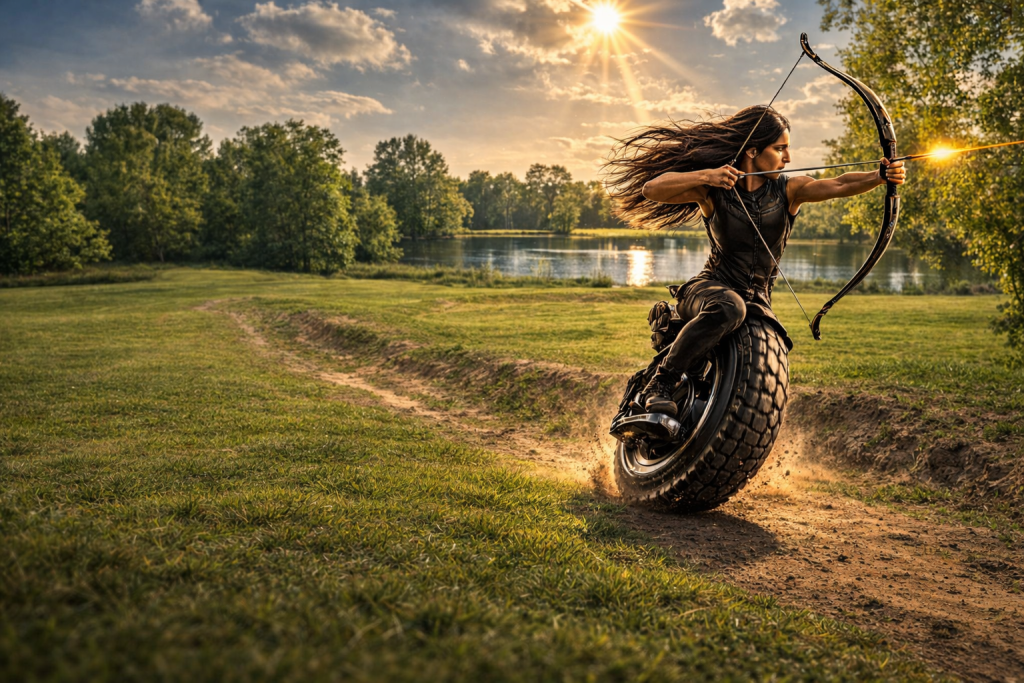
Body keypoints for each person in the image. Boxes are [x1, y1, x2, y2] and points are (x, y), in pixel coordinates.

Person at [604, 106, 906, 416]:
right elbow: (652, 189)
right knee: (729, 307)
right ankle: (660, 383)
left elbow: (840, 184)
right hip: (709, 289)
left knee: (762, 347)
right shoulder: (713, 191)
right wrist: (708, 175)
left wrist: (880, 176)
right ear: (752, 150)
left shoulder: (791, 190)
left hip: (758, 300)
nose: (787, 158)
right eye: (779, 149)